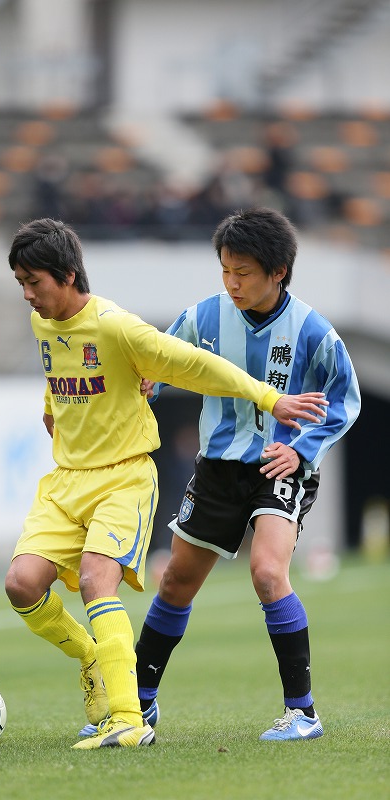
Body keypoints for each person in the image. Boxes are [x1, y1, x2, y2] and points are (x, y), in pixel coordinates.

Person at [4, 216, 328, 749]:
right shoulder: (44, 323)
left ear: (66, 275)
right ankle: (95, 661)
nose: (26, 295)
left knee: (104, 580)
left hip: (132, 476)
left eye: (32, 282)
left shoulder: (117, 326)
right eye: (19, 283)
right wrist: (50, 407)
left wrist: (273, 402)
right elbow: (59, 368)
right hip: (69, 480)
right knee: (23, 586)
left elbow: (197, 366)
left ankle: (132, 717)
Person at [128, 206, 361, 742]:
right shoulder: (202, 318)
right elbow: (159, 365)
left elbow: (345, 401)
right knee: (177, 581)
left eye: (244, 272)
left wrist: (302, 450)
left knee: (266, 572)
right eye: (225, 271)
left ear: (278, 271)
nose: (232, 283)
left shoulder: (313, 330)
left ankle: (302, 713)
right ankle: (137, 703)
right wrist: (145, 387)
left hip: (280, 465)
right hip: (216, 468)